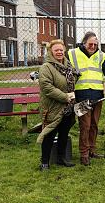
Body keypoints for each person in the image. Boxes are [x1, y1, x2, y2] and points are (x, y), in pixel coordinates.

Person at [68, 32, 105, 166]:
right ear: (84, 43)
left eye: (95, 44)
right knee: (85, 125)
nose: (93, 46)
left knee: (94, 125)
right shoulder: (72, 54)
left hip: (97, 96)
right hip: (81, 96)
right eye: (90, 44)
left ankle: (92, 150)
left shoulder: (101, 56)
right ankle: (84, 153)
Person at [37, 39, 78, 171]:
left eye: (61, 50)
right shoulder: (46, 67)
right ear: (51, 52)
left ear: (64, 50)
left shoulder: (68, 65)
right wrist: (65, 96)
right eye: (56, 50)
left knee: (64, 133)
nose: (59, 52)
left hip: (67, 106)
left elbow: (72, 78)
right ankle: (44, 162)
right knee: (50, 133)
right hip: (53, 106)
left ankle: (61, 158)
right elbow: (47, 87)